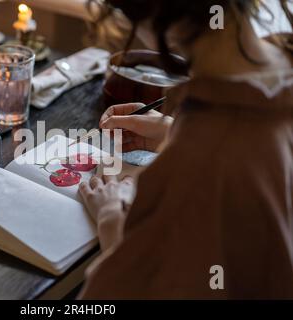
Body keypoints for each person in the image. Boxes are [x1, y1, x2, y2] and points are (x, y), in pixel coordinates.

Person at [78, 0, 293, 299]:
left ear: (153, 17)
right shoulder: (285, 57)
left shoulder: (198, 162)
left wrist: (112, 219)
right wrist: (173, 130)